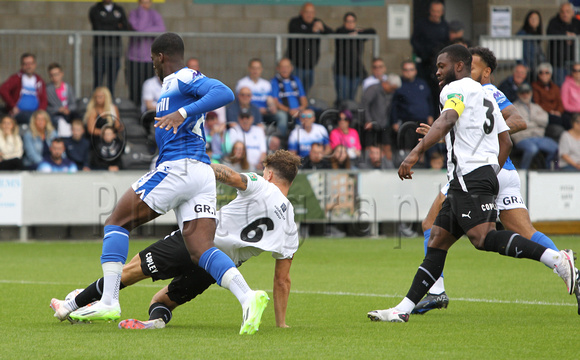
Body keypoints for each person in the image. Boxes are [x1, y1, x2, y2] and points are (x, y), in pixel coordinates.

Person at [64, 33, 268, 336]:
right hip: (200, 173)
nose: (152, 65)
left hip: (180, 168)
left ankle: (109, 300)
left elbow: (225, 92)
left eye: (152, 59)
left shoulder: (182, 77)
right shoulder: (172, 86)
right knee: (200, 249)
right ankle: (247, 297)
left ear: (161, 57)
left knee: (116, 222)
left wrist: (183, 112)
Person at [367, 44, 577, 323]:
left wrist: (416, 152)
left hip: (469, 178)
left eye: (442, 66)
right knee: (437, 240)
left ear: (458, 66)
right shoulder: (486, 94)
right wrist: (489, 170)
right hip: (472, 177)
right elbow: (505, 140)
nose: (437, 72)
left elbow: (449, 117)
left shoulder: (455, 90)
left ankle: (558, 261)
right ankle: (402, 310)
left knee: (483, 238)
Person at [51, 151, 301, 330]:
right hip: (220, 268)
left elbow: (232, 177)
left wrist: (198, 165)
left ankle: (73, 304)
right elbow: (282, 280)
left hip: (196, 241)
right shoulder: (290, 223)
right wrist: (281, 324)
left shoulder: (261, 185)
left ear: (268, 174)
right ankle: (156, 321)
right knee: (160, 301)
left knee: (127, 271)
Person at [287, 2, 332, 95]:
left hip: (310, 66)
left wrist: (322, 28)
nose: (309, 15)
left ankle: (302, 108)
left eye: (312, 12)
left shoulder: (317, 22)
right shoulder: (295, 22)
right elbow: (296, 32)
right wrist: (312, 30)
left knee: (305, 91)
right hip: (296, 65)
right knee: (295, 91)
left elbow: (331, 32)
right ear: (301, 12)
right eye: (307, 12)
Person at [126, 0, 166, 108]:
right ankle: (135, 111)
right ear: (139, 3)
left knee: (147, 86)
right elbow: (137, 28)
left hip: (149, 59)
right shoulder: (134, 13)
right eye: (143, 2)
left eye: (147, 2)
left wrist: (143, 30)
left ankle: (145, 111)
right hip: (134, 58)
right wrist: (142, 13)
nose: (145, 4)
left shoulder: (155, 14)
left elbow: (161, 29)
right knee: (134, 87)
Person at [410, 0, 449, 111]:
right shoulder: (421, 24)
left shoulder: (444, 26)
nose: (435, 14)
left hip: (438, 64)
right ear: (429, 11)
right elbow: (414, 41)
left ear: (442, 12)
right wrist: (424, 54)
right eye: (433, 11)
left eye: (438, 11)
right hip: (424, 64)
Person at [512, 83, 559, 170]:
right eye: (522, 93)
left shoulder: (536, 107)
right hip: (522, 138)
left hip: (538, 137)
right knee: (532, 149)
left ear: (531, 93)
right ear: (518, 94)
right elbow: (518, 124)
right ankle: (523, 171)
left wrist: (530, 120)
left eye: (527, 92)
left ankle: (547, 168)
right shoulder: (513, 107)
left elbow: (545, 121)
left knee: (555, 148)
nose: (525, 95)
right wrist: (536, 122)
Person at [333, 12, 376, 105]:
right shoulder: (340, 32)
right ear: (344, 22)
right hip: (342, 71)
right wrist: (352, 34)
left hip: (355, 71)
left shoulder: (358, 35)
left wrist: (358, 33)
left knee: (352, 98)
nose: (350, 23)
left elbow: (372, 31)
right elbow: (339, 31)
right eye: (348, 21)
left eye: (352, 21)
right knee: (342, 99)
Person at [89, 0, 129, 96]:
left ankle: (109, 102)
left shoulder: (119, 9)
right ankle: (96, 102)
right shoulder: (95, 9)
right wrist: (116, 25)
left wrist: (107, 23)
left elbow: (125, 27)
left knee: (112, 81)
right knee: (98, 80)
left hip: (114, 52)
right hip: (100, 51)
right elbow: (98, 27)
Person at [361, 73, 401, 161]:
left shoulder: (391, 93)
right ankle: (367, 165)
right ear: (386, 84)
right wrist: (368, 120)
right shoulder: (373, 89)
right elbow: (364, 105)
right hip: (371, 124)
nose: (393, 91)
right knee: (370, 147)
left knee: (387, 146)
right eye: (392, 88)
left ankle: (388, 167)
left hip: (384, 124)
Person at [0, 53, 47, 126]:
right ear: (22, 65)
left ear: (35, 65)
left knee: (52, 120)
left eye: (31, 63)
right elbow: (3, 90)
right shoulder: (16, 78)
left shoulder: (39, 80)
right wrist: (13, 106)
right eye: (26, 64)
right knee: (31, 119)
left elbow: (44, 99)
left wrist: (40, 112)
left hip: (36, 113)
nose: (28, 66)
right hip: (20, 113)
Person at [271, 58, 308, 135]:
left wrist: (301, 108)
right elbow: (275, 102)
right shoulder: (274, 82)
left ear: (291, 68)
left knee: (310, 114)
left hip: (298, 111)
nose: (285, 69)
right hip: (285, 111)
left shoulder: (296, 80)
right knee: (282, 117)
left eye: (287, 67)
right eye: (282, 67)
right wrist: (289, 110)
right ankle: (282, 140)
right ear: (277, 68)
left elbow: (303, 98)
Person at [547, 2, 580, 85]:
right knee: (560, 86)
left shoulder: (577, 23)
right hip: (558, 64)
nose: (565, 14)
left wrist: (574, 36)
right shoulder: (554, 22)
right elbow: (550, 33)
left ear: (572, 12)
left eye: (567, 11)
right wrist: (565, 36)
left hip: (575, 64)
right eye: (562, 12)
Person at [46, 63, 78, 135]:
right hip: (56, 115)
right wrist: (58, 109)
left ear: (61, 74)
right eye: (52, 75)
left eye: (57, 74)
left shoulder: (68, 87)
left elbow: (74, 104)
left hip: (69, 113)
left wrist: (68, 109)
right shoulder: (48, 89)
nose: (55, 77)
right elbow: (47, 107)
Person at [531, 63, 565, 128]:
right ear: (538, 75)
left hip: (556, 113)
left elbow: (560, 102)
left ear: (550, 74)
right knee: (557, 121)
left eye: (547, 72)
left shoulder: (555, 87)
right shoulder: (535, 86)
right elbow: (537, 103)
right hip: (544, 113)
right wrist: (550, 111)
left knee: (567, 119)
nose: (544, 75)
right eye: (541, 72)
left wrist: (558, 111)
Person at [516, 10, 546, 79]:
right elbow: (518, 51)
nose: (533, 20)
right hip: (527, 68)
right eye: (531, 18)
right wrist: (523, 65)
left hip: (536, 67)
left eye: (536, 19)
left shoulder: (537, 34)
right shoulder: (522, 34)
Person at [560, 61, 580, 127]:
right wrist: (578, 109)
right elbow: (565, 105)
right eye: (575, 70)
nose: (577, 73)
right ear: (572, 72)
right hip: (572, 113)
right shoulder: (566, 85)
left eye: (579, 70)